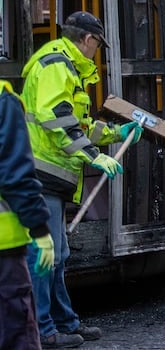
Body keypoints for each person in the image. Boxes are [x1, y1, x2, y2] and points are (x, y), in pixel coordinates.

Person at [23, 11, 143, 348]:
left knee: (57, 255)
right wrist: (94, 155)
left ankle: (64, 322)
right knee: (47, 255)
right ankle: (44, 331)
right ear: (88, 40)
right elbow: (57, 120)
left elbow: (80, 123)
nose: (96, 52)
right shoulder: (56, 66)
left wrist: (116, 133)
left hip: (50, 178)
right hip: (41, 176)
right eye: (97, 45)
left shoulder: (66, 68)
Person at [0, 79, 54, 349]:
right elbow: (15, 176)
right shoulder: (2, 99)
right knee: (16, 336)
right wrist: (40, 230)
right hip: (4, 251)